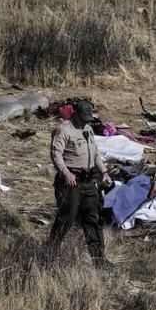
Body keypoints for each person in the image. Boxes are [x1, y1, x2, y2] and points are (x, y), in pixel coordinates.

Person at [49, 99, 113, 266]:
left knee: (92, 219)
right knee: (67, 217)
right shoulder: (63, 130)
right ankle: (51, 250)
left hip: (89, 181)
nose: (85, 121)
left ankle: (99, 259)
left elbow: (96, 153)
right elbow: (56, 154)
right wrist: (66, 173)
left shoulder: (88, 129)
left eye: (87, 118)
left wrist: (104, 172)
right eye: (82, 117)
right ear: (75, 114)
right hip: (71, 182)